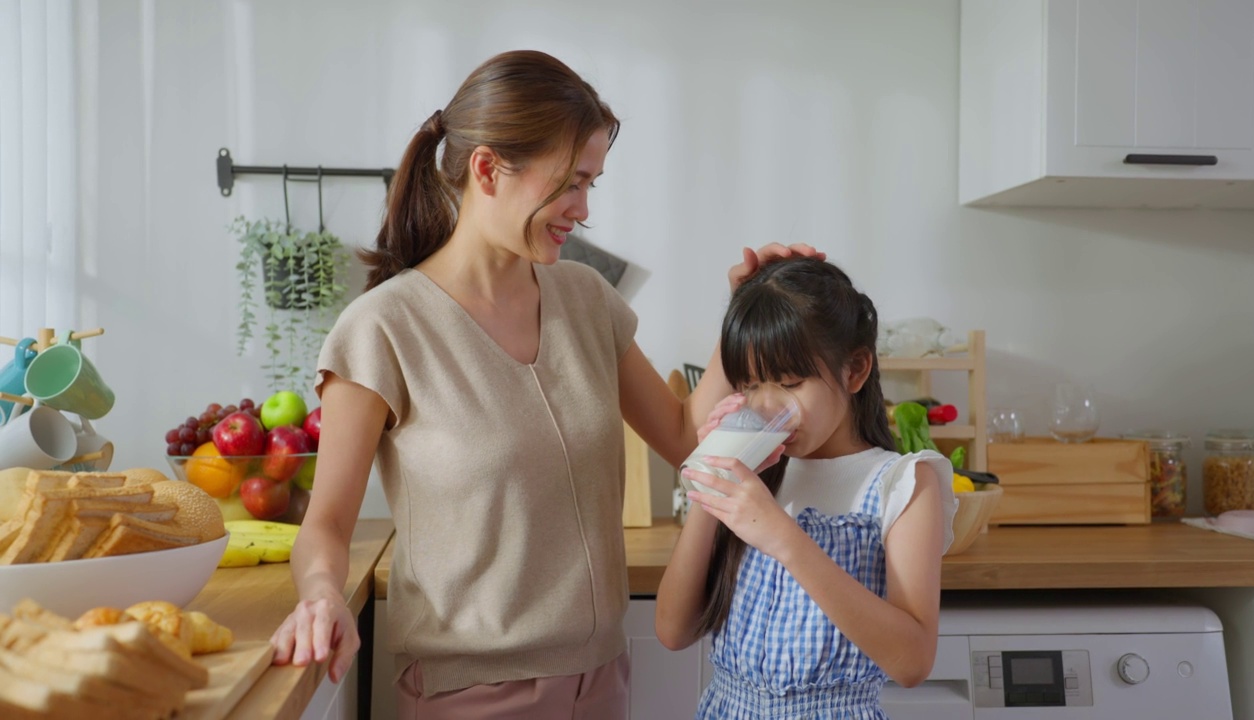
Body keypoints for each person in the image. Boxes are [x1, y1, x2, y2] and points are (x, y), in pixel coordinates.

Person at [266, 49, 819, 718]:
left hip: (604, 679)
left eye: (592, 184)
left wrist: (744, 317)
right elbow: (324, 526)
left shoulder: (585, 297)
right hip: (468, 696)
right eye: (569, 183)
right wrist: (322, 594)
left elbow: (682, 437)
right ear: (488, 169)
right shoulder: (383, 329)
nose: (582, 209)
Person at [655, 257, 957, 720]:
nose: (767, 404)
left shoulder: (902, 484)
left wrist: (784, 537)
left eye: (791, 383)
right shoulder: (759, 470)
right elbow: (673, 631)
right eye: (750, 385)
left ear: (855, 370)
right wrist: (713, 476)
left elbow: (913, 662)